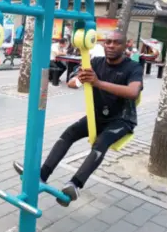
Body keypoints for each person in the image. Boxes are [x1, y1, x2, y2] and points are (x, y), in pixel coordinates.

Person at [13, 30, 143, 207]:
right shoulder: (96, 63)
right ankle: (42, 175)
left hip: (122, 119)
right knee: (69, 133)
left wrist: (98, 83)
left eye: (116, 42)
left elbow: (133, 92)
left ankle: (74, 184)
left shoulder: (133, 67)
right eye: (108, 42)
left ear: (125, 45)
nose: (111, 45)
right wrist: (78, 80)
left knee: (101, 142)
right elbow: (72, 83)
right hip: (97, 116)